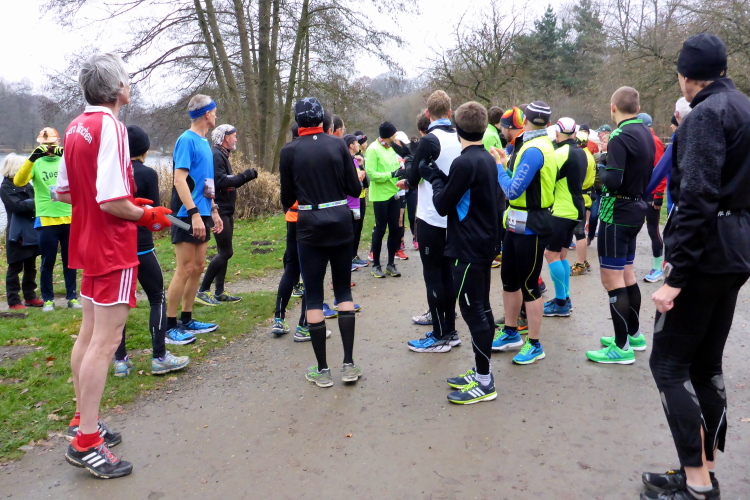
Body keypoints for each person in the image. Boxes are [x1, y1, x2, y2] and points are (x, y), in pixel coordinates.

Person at [641, 33, 749, 500]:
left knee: (668, 364)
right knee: (705, 365)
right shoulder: (744, 107)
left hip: (706, 256)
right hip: (735, 250)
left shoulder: (704, 115)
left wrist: (676, 277)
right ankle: (702, 470)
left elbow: (697, 198)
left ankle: (698, 484)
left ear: (686, 76)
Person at [58, 53, 172, 478]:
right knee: (105, 342)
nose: (130, 86)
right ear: (116, 89)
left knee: (89, 334)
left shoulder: (75, 126)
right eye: (126, 80)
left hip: (86, 241)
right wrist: (145, 214)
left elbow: (65, 192)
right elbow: (110, 201)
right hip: (112, 247)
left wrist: (127, 202)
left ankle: (81, 420)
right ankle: (87, 441)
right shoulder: (112, 126)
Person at [280, 97, 362, 387]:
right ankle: (348, 365)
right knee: (343, 291)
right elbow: (354, 188)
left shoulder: (289, 151)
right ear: (321, 119)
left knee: (314, 296)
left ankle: (323, 369)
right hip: (339, 219)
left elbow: (287, 197)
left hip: (309, 225)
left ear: (298, 121)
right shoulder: (338, 145)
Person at [420, 101, 499, 403]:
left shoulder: (465, 163)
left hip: (467, 247)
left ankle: (485, 382)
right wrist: (439, 176)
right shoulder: (486, 158)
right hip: (482, 243)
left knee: (473, 312)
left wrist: (433, 177)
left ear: (456, 128)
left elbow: (442, 204)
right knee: (483, 309)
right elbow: (460, 192)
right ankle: (482, 371)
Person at [113, 125, 191, 377]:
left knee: (119, 304)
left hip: (116, 248)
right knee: (157, 297)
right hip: (142, 248)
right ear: (145, 149)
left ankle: (120, 361)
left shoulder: (112, 172)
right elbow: (154, 215)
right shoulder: (147, 173)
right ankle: (159, 357)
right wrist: (174, 222)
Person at [585, 87, 654, 365]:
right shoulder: (646, 133)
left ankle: (621, 347)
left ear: (613, 107)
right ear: (637, 108)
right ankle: (633, 335)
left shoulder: (618, 135)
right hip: (637, 207)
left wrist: (600, 166)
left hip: (617, 212)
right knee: (627, 275)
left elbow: (612, 182)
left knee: (611, 280)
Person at [490, 101, 556, 365]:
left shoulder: (534, 149)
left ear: (525, 120)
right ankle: (510, 332)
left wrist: (498, 166)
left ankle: (535, 344)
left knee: (529, 285)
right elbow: (521, 183)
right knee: (509, 279)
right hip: (516, 222)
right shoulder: (535, 144)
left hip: (532, 225)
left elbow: (512, 190)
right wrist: (506, 164)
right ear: (547, 123)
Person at [402, 91, 462, 352]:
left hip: (432, 217)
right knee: (448, 275)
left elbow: (414, 177)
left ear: (428, 114)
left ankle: (439, 336)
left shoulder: (429, 140)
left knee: (434, 277)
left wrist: (408, 177)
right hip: (455, 217)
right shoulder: (460, 137)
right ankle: (450, 331)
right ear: (450, 112)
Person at [166, 94, 224, 339]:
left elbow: (207, 182)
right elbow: (179, 180)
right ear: (207, 114)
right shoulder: (186, 140)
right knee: (185, 268)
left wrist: (214, 210)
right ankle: (169, 326)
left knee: (198, 267)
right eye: (214, 112)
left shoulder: (204, 143)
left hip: (203, 213)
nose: (216, 115)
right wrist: (194, 214)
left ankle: (187, 319)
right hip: (184, 214)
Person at [13, 128, 81, 311]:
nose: (49, 148)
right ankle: (48, 299)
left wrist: (66, 154)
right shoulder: (36, 163)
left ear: (58, 143)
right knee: (47, 262)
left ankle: (72, 297)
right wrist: (32, 158)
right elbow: (18, 182)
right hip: (46, 219)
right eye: (45, 145)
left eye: (51, 145)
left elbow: (83, 172)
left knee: (70, 261)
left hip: (69, 217)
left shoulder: (66, 161)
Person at [195, 124, 258, 305]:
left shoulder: (222, 154)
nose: (236, 139)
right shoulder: (216, 155)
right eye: (234, 136)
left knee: (225, 252)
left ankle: (219, 292)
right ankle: (203, 290)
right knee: (226, 252)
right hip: (219, 210)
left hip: (226, 210)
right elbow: (219, 181)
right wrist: (245, 176)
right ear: (225, 138)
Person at [543, 118, 586, 317]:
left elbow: (546, 179)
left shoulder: (560, 153)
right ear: (574, 133)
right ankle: (565, 298)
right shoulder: (582, 152)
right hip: (576, 207)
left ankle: (561, 302)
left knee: (550, 254)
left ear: (557, 134)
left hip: (562, 209)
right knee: (561, 255)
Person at [493, 106, 529, 332]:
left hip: (524, 215)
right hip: (516, 216)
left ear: (508, 128)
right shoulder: (517, 147)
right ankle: (513, 318)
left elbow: (512, 189)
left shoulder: (524, 148)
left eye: (502, 128)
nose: (501, 132)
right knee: (511, 271)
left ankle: (522, 317)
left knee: (521, 272)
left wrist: (499, 166)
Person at [1, 154, 42, 309]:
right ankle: (13, 300)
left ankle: (30, 296)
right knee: (15, 267)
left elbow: (27, 204)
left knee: (31, 266)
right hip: (16, 233)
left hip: (31, 230)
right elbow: (17, 207)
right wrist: (38, 201)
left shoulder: (27, 185)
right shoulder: (5, 188)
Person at [365, 121, 403, 278]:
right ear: (389, 135)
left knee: (395, 229)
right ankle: (376, 265)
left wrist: (400, 172)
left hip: (394, 193)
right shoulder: (373, 149)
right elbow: (371, 174)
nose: (396, 135)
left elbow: (395, 168)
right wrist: (391, 175)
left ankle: (390, 264)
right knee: (380, 229)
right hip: (380, 196)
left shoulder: (391, 148)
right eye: (394, 133)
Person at [637, 112, 667, 283]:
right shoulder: (643, 140)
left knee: (653, 229)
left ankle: (658, 267)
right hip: (642, 191)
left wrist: (659, 194)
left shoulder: (654, 141)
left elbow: (661, 170)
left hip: (652, 193)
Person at [569, 131, 597, 276]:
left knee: (579, 232)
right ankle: (584, 260)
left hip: (580, 196)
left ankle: (580, 263)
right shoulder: (588, 155)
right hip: (585, 196)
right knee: (579, 232)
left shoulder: (581, 156)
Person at [483, 106, 506, 269]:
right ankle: (493, 252)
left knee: (499, 216)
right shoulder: (490, 135)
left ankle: (496, 250)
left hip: (496, 180)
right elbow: (492, 159)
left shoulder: (492, 133)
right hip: (494, 181)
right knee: (496, 216)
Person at [352, 131, 369, 266]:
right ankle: (350, 257)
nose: (359, 144)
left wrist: (362, 166)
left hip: (361, 198)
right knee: (353, 230)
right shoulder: (349, 160)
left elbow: (366, 183)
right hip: (352, 201)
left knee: (358, 229)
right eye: (356, 142)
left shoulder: (358, 159)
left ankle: (354, 255)